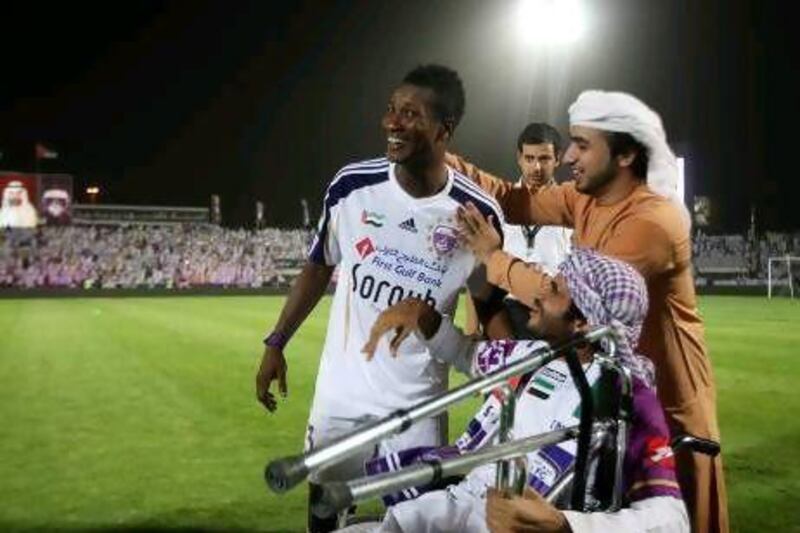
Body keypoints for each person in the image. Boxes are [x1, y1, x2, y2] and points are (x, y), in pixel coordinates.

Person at [448, 90, 727, 532]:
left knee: (666, 520)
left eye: (581, 145)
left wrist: (493, 258)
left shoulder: (651, 223)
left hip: (660, 403)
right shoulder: (584, 198)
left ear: (626, 154)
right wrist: (441, 160)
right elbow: (510, 197)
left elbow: (565, 299)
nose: (567, 158)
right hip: (601, 392)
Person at [255, 64, 507, 532]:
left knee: (412, 525)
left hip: (417, 410)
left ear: (443, 130)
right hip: (341, 399)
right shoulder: (352, 187)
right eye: (391, 109)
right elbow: (318, 265)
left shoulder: (476, 214)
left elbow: (489, 309)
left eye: (410, 114)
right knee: (326, 515)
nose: (391, 122)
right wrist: (276, 342)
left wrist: (507, 379)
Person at [347, 248, 688, 533]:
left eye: (554, 289)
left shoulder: (627, 397)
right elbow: (468, 356)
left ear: (584, 321)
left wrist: (566, 524)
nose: (539, 294)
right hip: (451, 510)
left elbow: (672, 520)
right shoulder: (531, 356)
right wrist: (422, 314)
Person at [465, 123, 572, 339]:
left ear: (557, 159)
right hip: (506, 314)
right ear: (519, 158)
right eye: (530, 158)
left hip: (550, 315)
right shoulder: (498, 205)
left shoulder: (572, 210)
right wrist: (472, 326)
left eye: (544, 159)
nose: (536, 168)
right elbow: (475, 270)